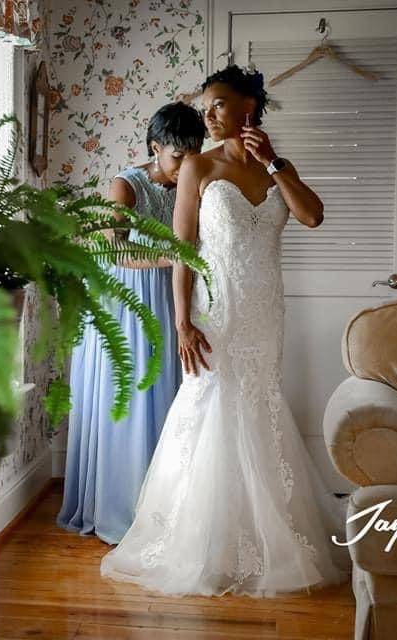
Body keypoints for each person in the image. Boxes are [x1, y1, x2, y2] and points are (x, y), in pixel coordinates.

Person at [100, 65, 351, 597]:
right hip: (217, 311)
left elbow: (312, 216)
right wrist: (181, 320)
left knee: (258, 405)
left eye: (217, 104)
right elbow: (183, 249)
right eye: (206, 106)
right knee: (208, 406)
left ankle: (266, 539)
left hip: (266, 310)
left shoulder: (276, 167)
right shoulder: (196, 165)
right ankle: (203, 543)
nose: (208, 115)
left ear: (247, 109)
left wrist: (275, 164)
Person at [57, 102, 206, 545]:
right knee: (133, 398)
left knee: (170, 398)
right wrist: (172, 256)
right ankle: (123, 508)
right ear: (155, 147)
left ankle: (166, 509)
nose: (186, 165)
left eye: (193, 154)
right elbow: (113, 252)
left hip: (166, 299)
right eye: (178, 156)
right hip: (125, 302)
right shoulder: (125, 186)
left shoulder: (192, 181)